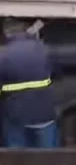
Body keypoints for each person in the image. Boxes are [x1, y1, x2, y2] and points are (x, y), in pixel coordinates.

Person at [0, 18, 58, 148]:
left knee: (17, 158)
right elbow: (55, 71)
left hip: (17, 116)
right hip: (45, 114)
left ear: (6, 34)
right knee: (50, 158)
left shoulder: (4, 55)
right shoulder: (42, 49)